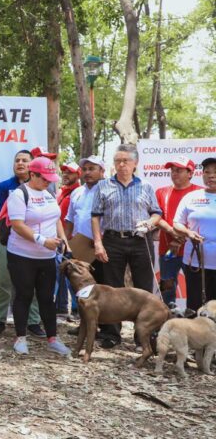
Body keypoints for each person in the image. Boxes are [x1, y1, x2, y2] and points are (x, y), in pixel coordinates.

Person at [91, 144, 162, 349]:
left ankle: (143, 337)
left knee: (143, 288)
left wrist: (149, 223)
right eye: (118, 161)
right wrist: (98, 243)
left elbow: (156, 213)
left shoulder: (146, 186)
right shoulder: (103, 186)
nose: (121, 165)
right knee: (111, 288)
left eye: (126, 160)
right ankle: (111, 334)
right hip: (112, 240)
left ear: (135, 163)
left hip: (140, 241)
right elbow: (95, 217)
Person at [6, 157, 71, 357]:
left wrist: (64, 241)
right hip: (22, 255)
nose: (48, 182)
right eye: (44, 178)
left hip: (47, 256)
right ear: (32, 174)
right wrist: (42, 240)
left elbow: (56, 218)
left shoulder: (49, 193)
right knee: (24, 295)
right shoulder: (19, 194)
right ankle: (20, 338)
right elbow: (17, 225)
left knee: (47, 297)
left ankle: (52, 338)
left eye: (50, 179)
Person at [0, 150, 45, 337]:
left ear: (32, 165)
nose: (20, 163)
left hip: (32, 242)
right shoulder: (4, 187)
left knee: (31, 284)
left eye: (24, 160)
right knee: (3, 282)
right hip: (7, 240)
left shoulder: (41, 187)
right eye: (17, 160)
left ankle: (33, 321)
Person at [155, 156, 201, 305]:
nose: (174, 173)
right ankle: (167, 315)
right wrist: (171, 231)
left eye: (179, 170)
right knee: (166, 286)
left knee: (196, 288)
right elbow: (156, 217)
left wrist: (182, 237)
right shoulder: (162, 192)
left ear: (190, 173)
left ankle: (195, 317)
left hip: (193, 251)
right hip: (169, 251)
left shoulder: (200, 193)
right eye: (172, 170)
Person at [173, 157, 216, 309]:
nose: (211, 176)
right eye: (207, 172)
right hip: (196, 264)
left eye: (215, 172)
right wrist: (188, 233)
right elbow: (176, 223)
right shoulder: (191, 197)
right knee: (195, 307)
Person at [65, 156, 106, 265]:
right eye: (84, 169)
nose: (87, 172)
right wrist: (66, 242)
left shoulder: (109, 192)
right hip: (77, 246)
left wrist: (101, 239)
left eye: (91, 169)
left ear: (102, 171)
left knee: (101, 275)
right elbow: (70, 218)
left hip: (101, 248)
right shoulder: (77, 192)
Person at [55, 162, 82, 318]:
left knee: (73, 277)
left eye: (69, 172)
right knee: (61, 275)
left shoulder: (79, 192)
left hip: (72, 241)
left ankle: (77, 309)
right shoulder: (61, 192)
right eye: (64, 171)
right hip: (59, 240)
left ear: (78, 174)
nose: (65, 174)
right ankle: (62, 308)